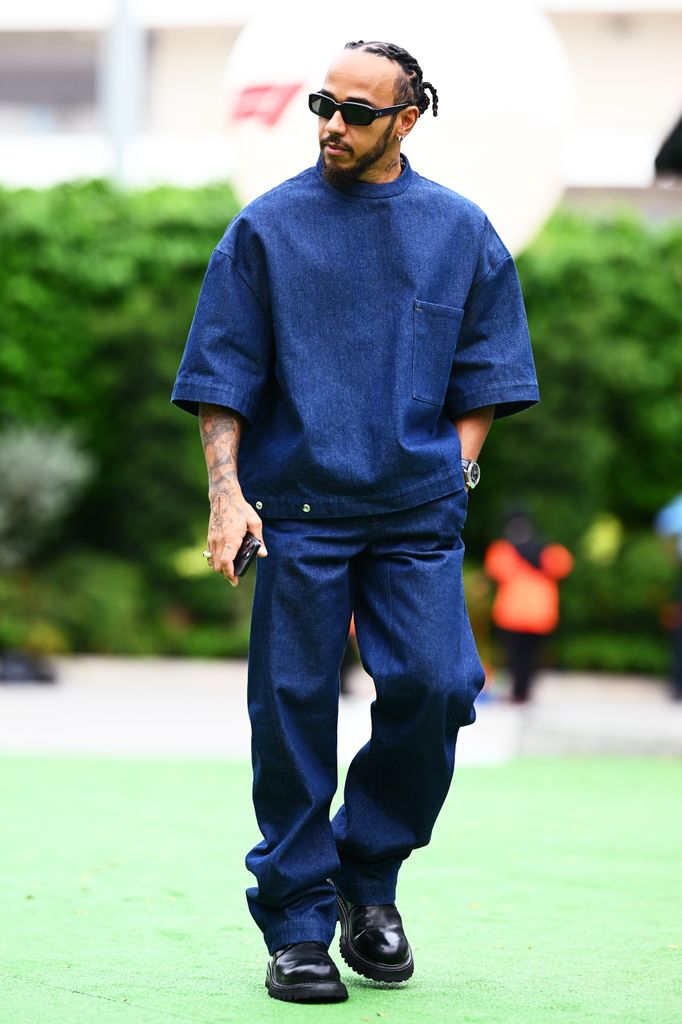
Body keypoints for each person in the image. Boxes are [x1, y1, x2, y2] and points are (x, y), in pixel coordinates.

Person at [171, 40, 538, 1004]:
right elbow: (223, 380)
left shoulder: (460, 231)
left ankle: (366, 877)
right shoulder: (265, 229)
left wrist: (457, 470)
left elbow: (486, 375)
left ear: (407, 119)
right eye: (322, 104)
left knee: (440, 685)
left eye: (356, 110)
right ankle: (296, 919)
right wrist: (226, 493)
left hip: (416, 510)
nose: (333, 123)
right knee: (291, 708)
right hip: (294, 510)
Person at [484, 512, 573, 703]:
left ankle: (517, 692)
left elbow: (495, 569)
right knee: (532, 656)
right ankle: (524, 692)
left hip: (512, 613)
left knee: (515, 656)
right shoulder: (547, 549)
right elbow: (564, 566)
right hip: (540, 613)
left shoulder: (505, 549)